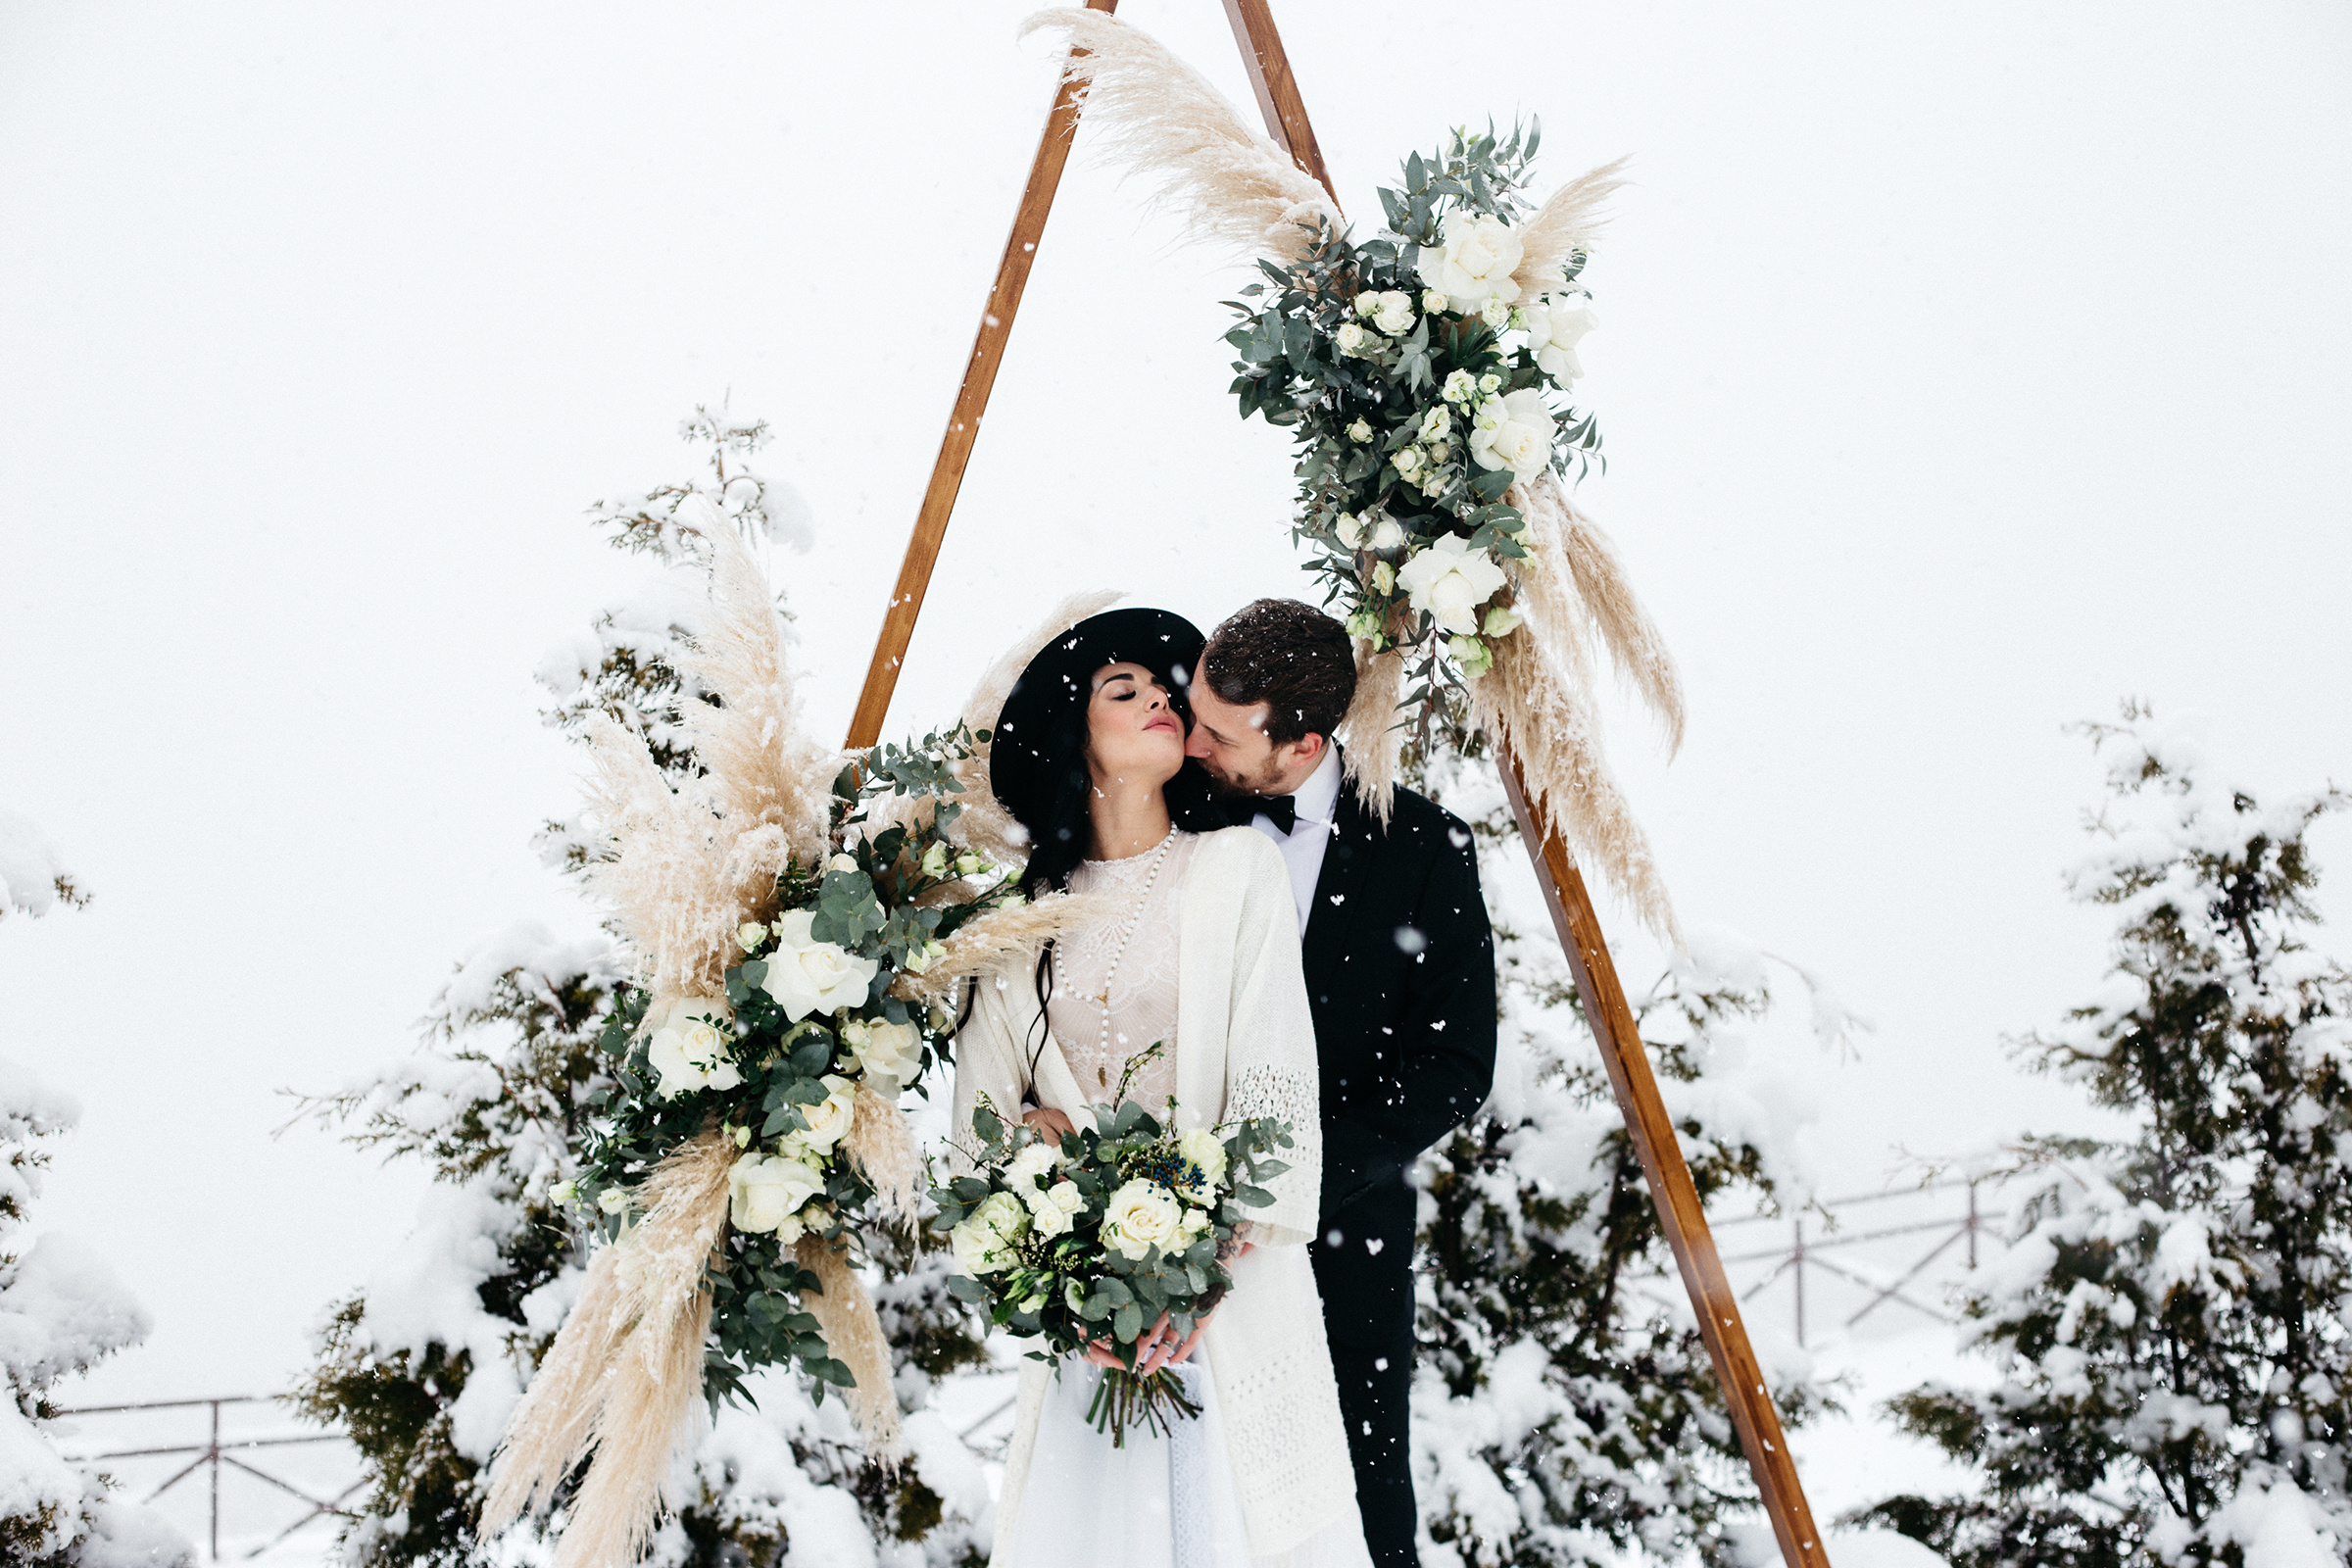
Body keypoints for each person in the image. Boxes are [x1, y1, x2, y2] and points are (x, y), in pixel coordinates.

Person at [953, 607, 1374, 1568]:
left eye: (1162, 688)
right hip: (1086, 1322)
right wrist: (1068, 1272)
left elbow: (1273, 1083)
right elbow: (979, 1127)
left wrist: (1198, 1270)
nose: (1159, 700)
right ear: (1074, 735)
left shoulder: (1235, 868)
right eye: (1123, 688)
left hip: (1232, 1299)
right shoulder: (1015, 918)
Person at [1183, 598, 1498, 1568]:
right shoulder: (1174, 815)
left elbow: (1456, 1065)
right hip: (1167, 1224)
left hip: (1345, 1239)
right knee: (1189, 1494)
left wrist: (1301, 1180)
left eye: (1219, 734)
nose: (1191, 743)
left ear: (1304, 743)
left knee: (1358, 1499)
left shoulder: (1426, 849)